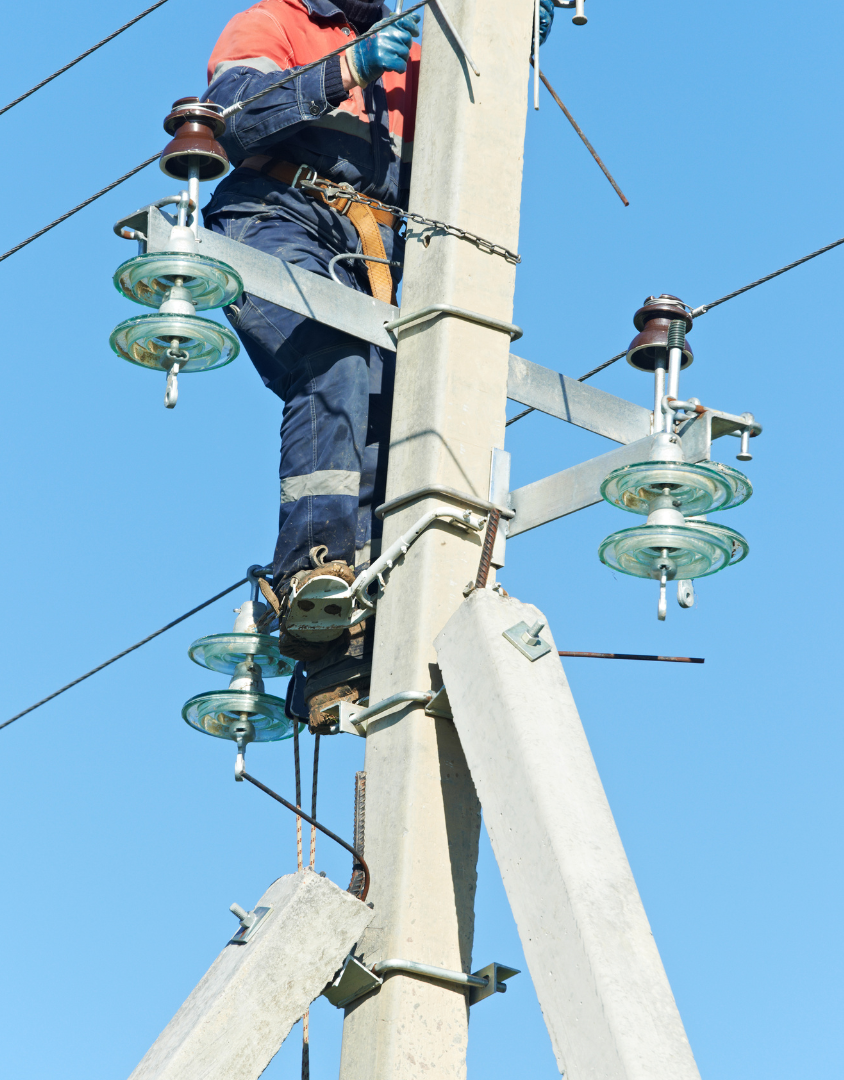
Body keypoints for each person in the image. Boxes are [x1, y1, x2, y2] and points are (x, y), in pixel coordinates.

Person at [200, 0, 552, 727]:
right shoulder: (273, 21)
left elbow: (474, 131)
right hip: (275, 214)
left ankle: (346, 639)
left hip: (378, 247)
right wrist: (345, 70)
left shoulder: (425, 46)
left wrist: (509, 36)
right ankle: (315, 567)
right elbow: (232, 115)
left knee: (408, 412)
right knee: (334, 360)